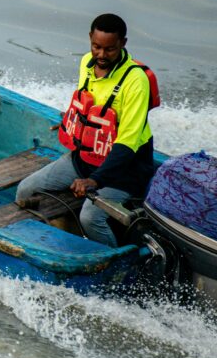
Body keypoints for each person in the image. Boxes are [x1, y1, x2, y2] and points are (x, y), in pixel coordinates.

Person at [16, 13, 156, 247]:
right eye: (96, 47)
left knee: (90, 218)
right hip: (84, 160)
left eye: (110, 49)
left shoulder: (136, 82)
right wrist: (73, 121)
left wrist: (94, 181)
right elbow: (89, 106)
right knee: (25, 190)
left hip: (123, 171)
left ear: (123, 44)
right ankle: (47, 244)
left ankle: (115, 262)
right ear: (90, 38)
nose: (101, 55)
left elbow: (128, 142)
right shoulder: (86, 63)